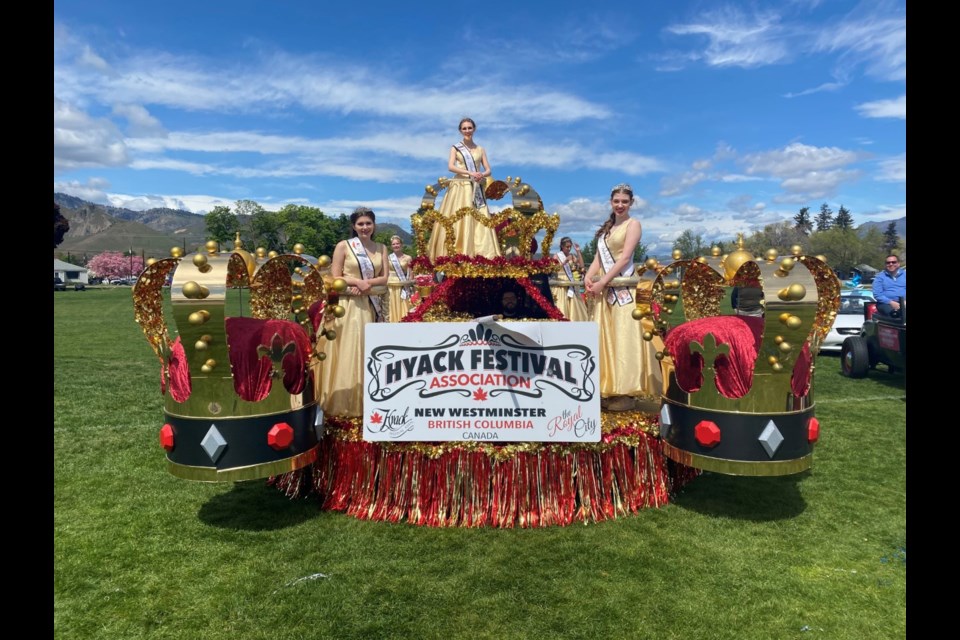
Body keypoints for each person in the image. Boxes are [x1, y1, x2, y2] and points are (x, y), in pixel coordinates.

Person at [584, 184, 662, 411]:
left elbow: (625, 258)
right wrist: (588, 278)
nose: (620, 205)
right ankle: (606, 388)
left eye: (624, 202)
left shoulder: (633, 225)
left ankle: (625, 392)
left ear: (631, 203)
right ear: (611, 202)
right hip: (605, 293)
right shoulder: (605, 231)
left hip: (623, 292)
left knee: (623, 339)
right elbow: (598, 260)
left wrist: (602, 282)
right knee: (604, 340)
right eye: (616, 201)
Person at [318, 207, 388, 416]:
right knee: (348, 349)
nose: (365, 227)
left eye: (368, 223)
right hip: (346, 307)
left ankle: (369, 400)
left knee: (368, 350)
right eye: (360, 224)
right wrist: (357, 281)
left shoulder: (382, 248)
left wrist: (366, 284)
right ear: (353, 227)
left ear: (374, 225)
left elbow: (384, 278)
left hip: (369, 306)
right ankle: (344, 403)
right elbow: (334, 276)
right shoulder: (344, 246)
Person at [426, 118, 502, 261]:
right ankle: (457, 253)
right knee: (458, 217)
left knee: (479, 217)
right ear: (460, 131)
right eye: (464, 128)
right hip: (461, 185)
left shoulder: (481, 149)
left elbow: (488, 170)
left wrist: (481, 174)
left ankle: (482, 254)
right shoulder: (455, 147)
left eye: (469, 128)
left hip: (476, 186)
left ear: (474, 129)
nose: (467, 131)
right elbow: (451, 166)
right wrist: (470, 173)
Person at [550, 236, 589, 321]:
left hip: (570, 283)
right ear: (562, 246)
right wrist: (565, 262)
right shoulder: (556, 256)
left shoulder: (572, 256)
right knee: (561, 303)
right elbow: (553, 270)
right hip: (560, 282)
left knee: (574, 304)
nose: (569, 248)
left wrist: (578, 252)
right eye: (567, 246)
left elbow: (582, 266)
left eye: (570, 246)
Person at [386, 235, 413, 322]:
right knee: (391, 305)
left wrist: (410, 284)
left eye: (397, 243)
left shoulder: (408, 258)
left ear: (401, 244)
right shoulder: (388, 258)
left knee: (403, 304)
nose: (396, 245)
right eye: (393, 244)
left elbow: (411, 272)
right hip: (390, 285)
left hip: (402, 285)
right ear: (391, 246)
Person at [872, 254, 906, 318]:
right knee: (894, 315)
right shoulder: (879, 277)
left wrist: (904, 303)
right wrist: (891, 302)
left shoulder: (905, 275)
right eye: (888, 263)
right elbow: (877, 295)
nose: (891, 264)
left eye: (893, 262)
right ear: (885, 265)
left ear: (898, 264)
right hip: (885, 304)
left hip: (904, 303)